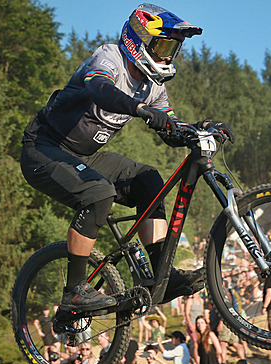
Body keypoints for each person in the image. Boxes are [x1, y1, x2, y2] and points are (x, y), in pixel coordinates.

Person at [20, 4, 233, 315]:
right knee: (99, 192)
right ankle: (74, 292)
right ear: (138, 41)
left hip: (84, 156)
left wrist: (199, 128)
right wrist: (139, 109)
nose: (167, 56)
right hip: (43, 148)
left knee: (150, 181)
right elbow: (100, 89)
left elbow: (171, 129)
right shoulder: (109, 58)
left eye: (172, 49)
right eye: (162, 46)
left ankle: (160, 276)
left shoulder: (153, 87)